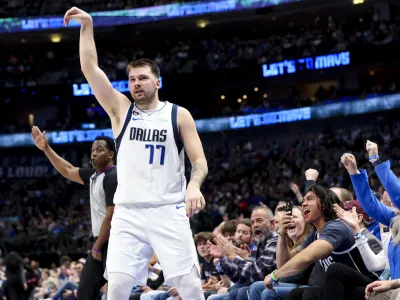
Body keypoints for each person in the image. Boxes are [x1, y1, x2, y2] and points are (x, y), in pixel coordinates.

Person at [64, 7, 208, 300]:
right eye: (131, 80)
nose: (136, 84)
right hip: (128, 212)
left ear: (158, 82)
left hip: (168, 210)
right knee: (116, 287)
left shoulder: (179, 115)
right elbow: (90, 69)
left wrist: (194, 185)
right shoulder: (120, 111)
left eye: (142, 78)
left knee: (191, 287)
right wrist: (87, 26)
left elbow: (199, 161)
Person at [31, 127, 117, 300]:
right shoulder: (94, 175)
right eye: (92, 150)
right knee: (85, 292)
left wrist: (98, 245)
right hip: (101, 241)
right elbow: (68, 170)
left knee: (116, 292)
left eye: (99, 150)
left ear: (111, 154)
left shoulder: (113, 175)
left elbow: (112, 215)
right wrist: (46, 149)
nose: (94, 154)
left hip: (114, 242)